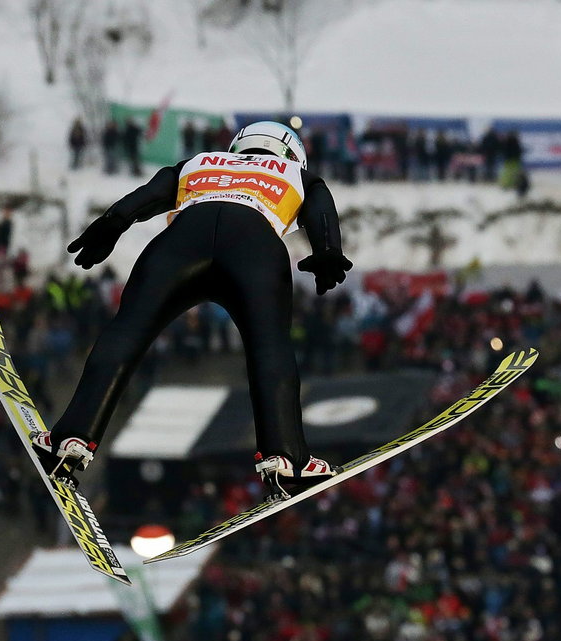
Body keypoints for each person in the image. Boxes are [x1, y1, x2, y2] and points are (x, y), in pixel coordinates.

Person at [33, 121, 352, 498]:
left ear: (238, 146)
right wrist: (328, 249)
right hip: (253, 245)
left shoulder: (200, 161)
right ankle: (286, 461)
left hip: (182, 240)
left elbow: (147, 195)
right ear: (291, 153)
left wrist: (112, 222)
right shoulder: (299, 175)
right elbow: (320, 213)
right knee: (270, 347)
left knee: (127, 331)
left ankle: (68, 442)